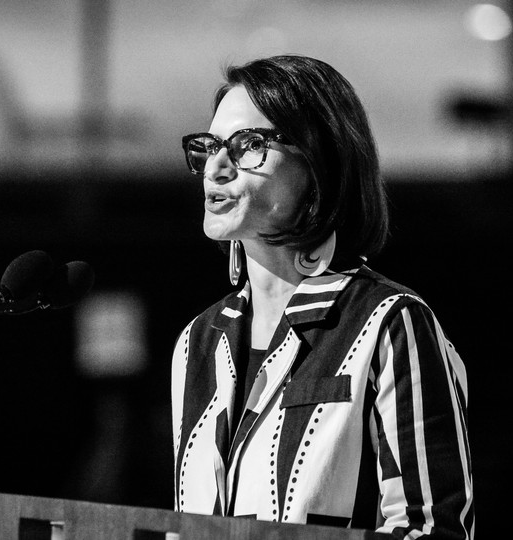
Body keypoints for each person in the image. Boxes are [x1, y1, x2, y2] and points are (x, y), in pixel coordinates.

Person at [170, 54, 473, 539]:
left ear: (319, 164)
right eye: (209, 147)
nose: (217, 167)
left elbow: (432, 530)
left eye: (247, 145)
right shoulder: (197, 343)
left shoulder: (389, 322)